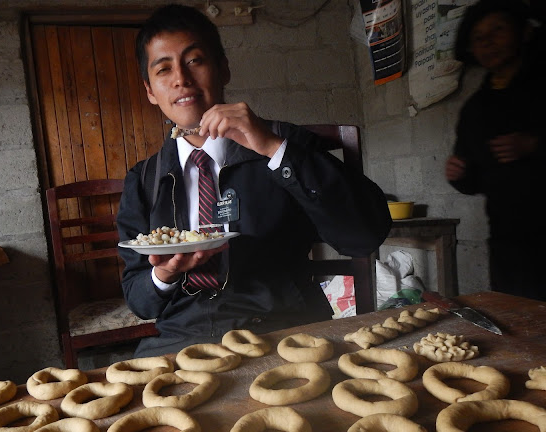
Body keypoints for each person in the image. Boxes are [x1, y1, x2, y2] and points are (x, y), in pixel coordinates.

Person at [117, 4, 392, 357]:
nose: (181, 79)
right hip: (182, 338)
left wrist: (274, 148)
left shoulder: (283, 144)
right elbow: (139, 301)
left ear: (223, 68)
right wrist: (164, 275)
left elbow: (365, 236)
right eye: (163, 69)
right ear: (150, 90)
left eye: (195, 60)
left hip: (284, 329)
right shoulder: (143, 180)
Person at [445, 0, 546, 301]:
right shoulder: (476, 109)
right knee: (516, 312)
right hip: (508, 236)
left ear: (524, 32)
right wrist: (460, 175)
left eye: (498, 29)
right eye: (478, 37)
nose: (488, 42)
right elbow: (476, 178)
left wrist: (535, 145)